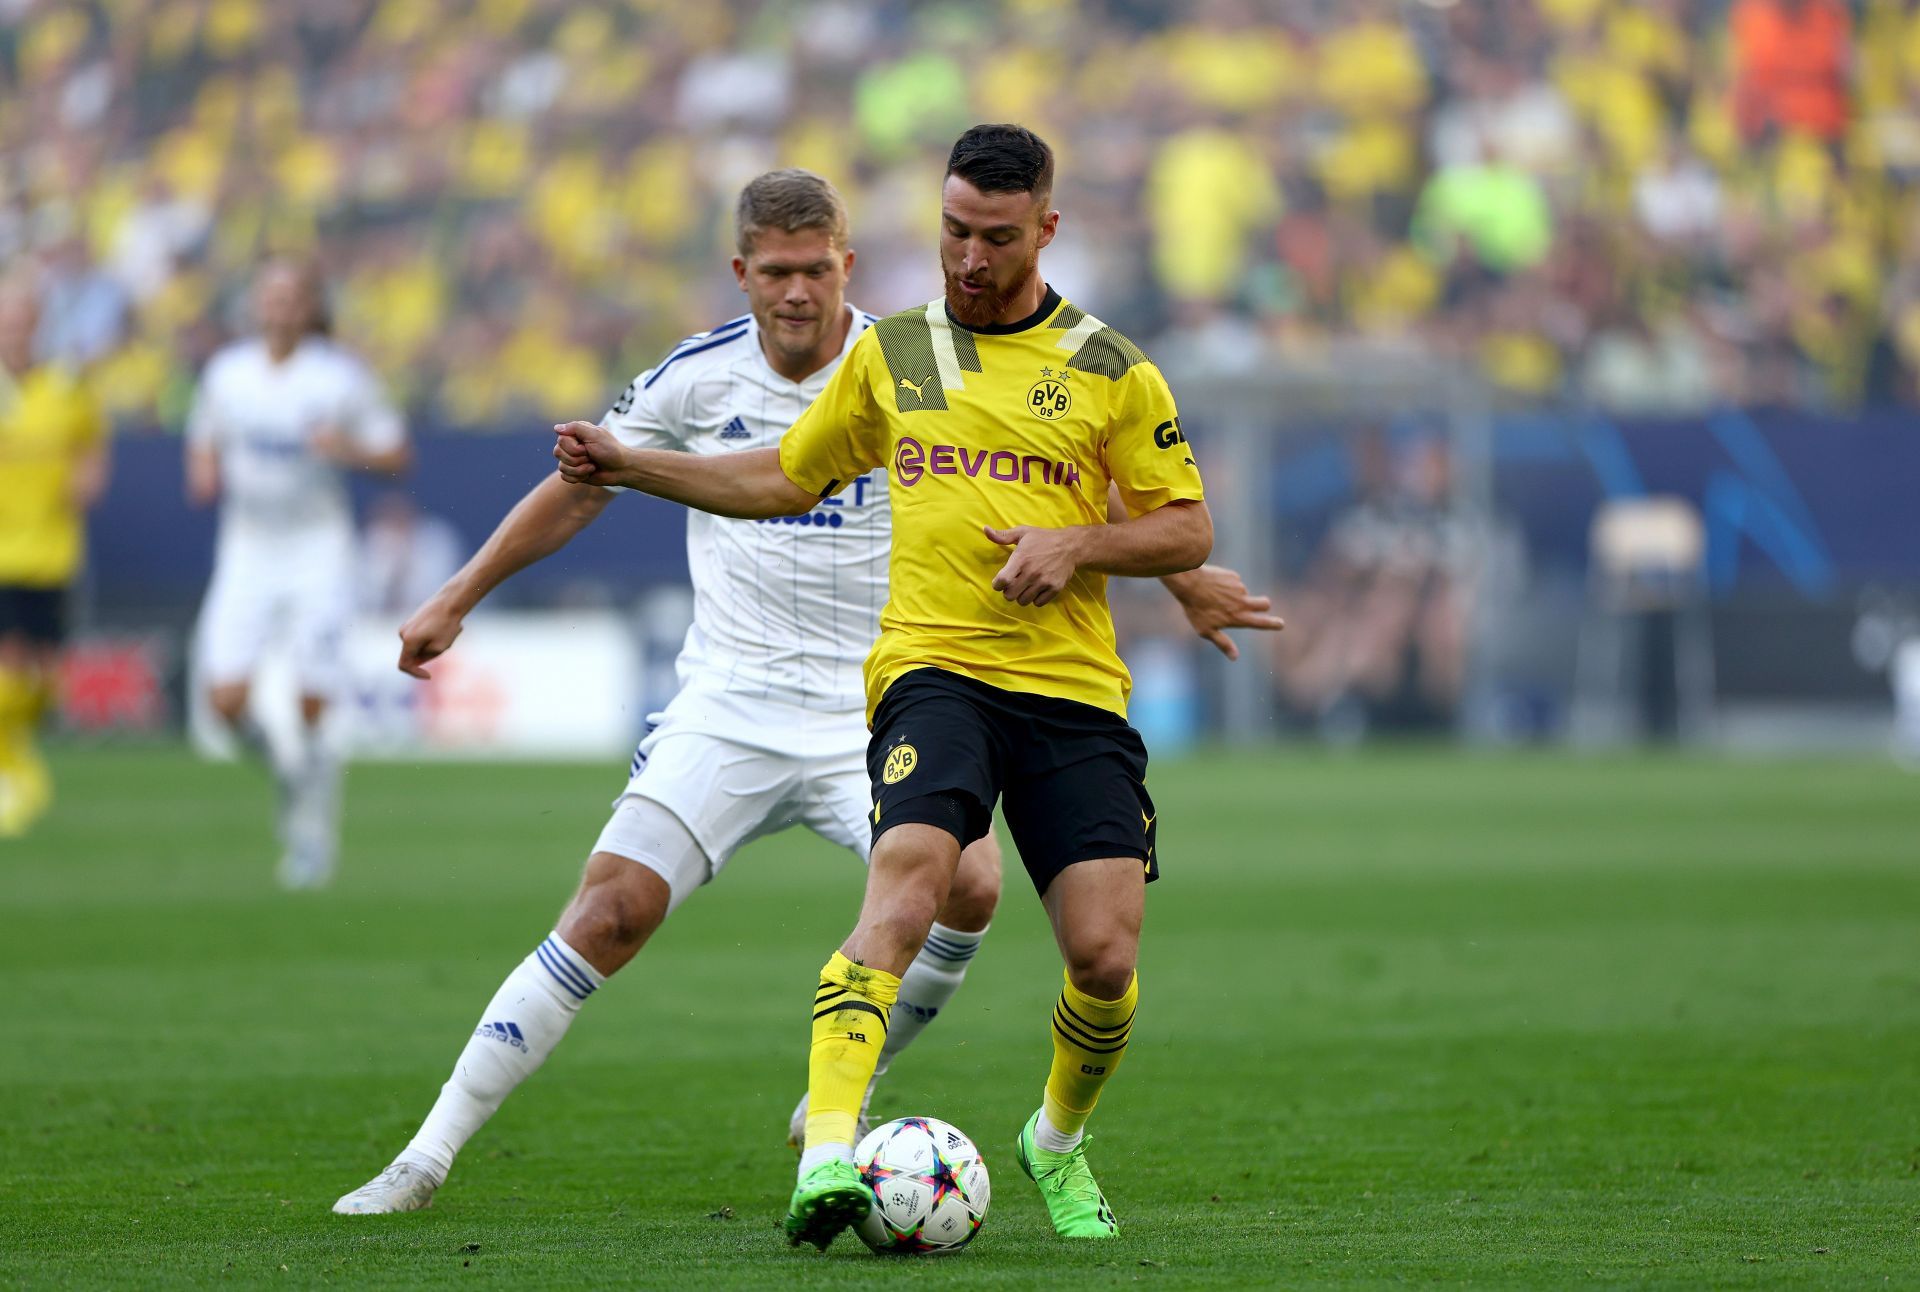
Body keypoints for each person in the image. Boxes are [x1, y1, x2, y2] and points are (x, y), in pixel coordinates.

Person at [335, 169, 1276, 1217]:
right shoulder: (697, 380)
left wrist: (1185, 575)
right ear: (741, 272)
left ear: (847, 266)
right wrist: (460, 594)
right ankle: (423, 1156)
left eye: (814, 269)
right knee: (608, 909)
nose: (795, 292)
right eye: (774, 271)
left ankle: (847, 1081)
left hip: (876, 703)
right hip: (729, 702)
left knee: (970, 886)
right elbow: (590, 481)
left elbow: (1063, 469)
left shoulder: (920, 355)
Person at [551, 126, 1224, 1247]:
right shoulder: (897, 352)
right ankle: (826, 1152)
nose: (968, 257)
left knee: (1105, 956)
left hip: (1069, 686)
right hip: (932, 668)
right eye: (954, 231)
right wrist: (632, 461)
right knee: (906, 887)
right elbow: (780, 474)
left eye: (997, 238)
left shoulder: (1110, 366)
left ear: (1046, 231)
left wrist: (1078, 542)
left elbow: (1187, 522)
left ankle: (1055, 1141)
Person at [186, 258, 410, 888]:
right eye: (270, 296)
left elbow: (397, 453)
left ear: (310, 308)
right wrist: (202, 469)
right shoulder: (228, 374)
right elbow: (205, 435)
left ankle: (311, 834)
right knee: (224, 702)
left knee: (313, 700)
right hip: (248, 547)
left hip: (318, 547)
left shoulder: (339, 377)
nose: (280, 308)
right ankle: (289, 772)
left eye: (291, 298)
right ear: (256, 305)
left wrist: (348, 450)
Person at [0, 277, 111, 836]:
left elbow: (91, 443)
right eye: (7, 316)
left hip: (52, 551)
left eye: (23, 316)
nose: (14, 327)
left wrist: (86, 480)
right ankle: (17, 772)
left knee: (44, 679)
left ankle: (16, 752)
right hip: (2, 552)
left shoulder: (65, 387)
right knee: (9, 666)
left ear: (38, 323)